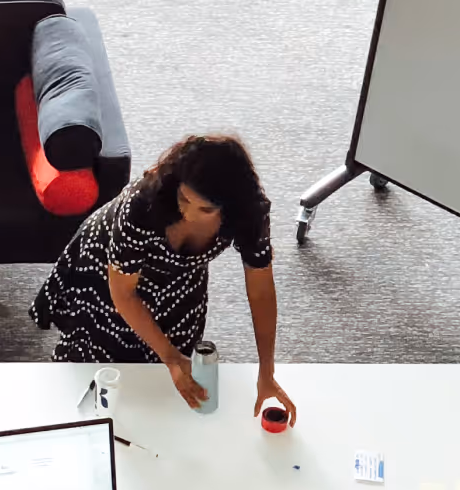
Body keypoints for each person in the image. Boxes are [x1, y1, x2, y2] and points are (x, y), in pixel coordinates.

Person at [31, 134, 298, 424]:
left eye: (205, 210)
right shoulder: (144, 202)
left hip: (180, 277)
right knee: (101, 368)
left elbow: (260, 292)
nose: (188, 215)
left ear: (230, 207)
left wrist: (266, 371)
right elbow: (123, 294)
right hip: (109, 269)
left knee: (170, 377)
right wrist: (169, 356)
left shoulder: (251, 213)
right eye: (184, 199)